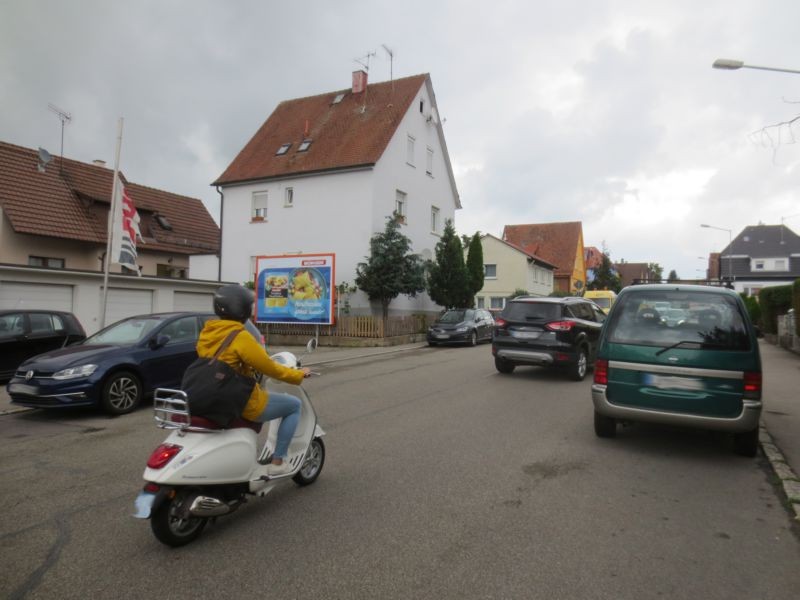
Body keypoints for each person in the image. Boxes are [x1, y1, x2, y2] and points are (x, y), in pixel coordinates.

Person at [197, 284, 310, 477]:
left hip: (210, 398)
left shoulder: (207, 333)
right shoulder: (241, 337)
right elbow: (269, 367)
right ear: (243, 310)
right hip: (239, 401)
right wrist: (298, 375)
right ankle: (278, 460)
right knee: (294, 405)